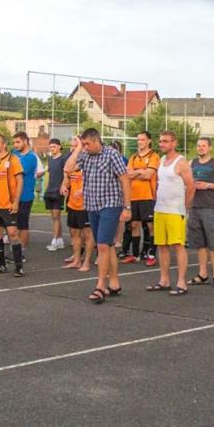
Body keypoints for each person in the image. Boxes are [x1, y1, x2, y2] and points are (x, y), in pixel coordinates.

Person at [78, 128, 131, 304]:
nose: (85, 147)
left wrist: (127, 207)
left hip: (110, 204)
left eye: (87, 144)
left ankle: (100, 285)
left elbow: (125, 179)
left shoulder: (111, 154)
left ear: (96, 140)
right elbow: (69, 168)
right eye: (83, 144)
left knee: (101, 245)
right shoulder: (85, 155)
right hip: (92, 205)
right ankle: (114, 283)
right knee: (107, 245)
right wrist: (78, 148)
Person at [147, 130, 196, 295]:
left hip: (175, 211)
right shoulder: (161, 160)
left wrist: (185, 208)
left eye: (166, 141)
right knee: (161, 246)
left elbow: (191, 186)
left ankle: (182, 283)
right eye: (160, 141)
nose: (162, 144)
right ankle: (164, 280)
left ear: (174, 143)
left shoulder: (181, 162)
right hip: (160, 209)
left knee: (178, 246)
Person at [187, 137, 214, 288]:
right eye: (199, 145)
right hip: (194, 208)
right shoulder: (191, 163)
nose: (201, 148)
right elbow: (185, 182)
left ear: (210, 147)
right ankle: (202, 274)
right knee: (200, 243)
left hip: (210, 208)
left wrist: (208, 185)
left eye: (204, 146)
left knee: (213, 243)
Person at [0, 135, 25, 276]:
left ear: (4, 144)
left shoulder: (13, 159)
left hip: (8, 204)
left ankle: (19, 266)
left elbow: (20, 181)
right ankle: (1, 264)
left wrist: (16, 202)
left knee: (13, 233)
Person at [125, 131, 160, 265]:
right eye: (138, 139)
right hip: (133, 196)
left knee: (151, 225)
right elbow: (127, 174)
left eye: (143, 139)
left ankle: (152, 254)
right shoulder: (133, 157)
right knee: (134, 225)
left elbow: (149, 175)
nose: (140, 142)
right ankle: (135, 255)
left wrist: (136, 172)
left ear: (149, 141)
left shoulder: (153, 156)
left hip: (148, 196)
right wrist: (141, 171)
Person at [61, 137, 94, 271]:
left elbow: (96, 181)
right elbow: (68, 175)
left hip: (86, 205)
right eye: (72, 146)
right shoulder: (73, 162)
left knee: (87, 234)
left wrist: (83, 190)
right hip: (73, 203)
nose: (73, 148)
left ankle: (86, 262)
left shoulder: (89, 161)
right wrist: (64, 186)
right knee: (74, 233)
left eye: (76, 145)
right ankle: (76, 260)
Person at [12, 132, 39, 250]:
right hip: (13, 196)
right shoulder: (14, 154)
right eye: (14, 142)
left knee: (23, 224)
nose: (15, 145)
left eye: (18, 142)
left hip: (25, 195)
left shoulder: (31, 157)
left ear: (26, 141)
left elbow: (18, 172)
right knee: (13, 224)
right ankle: (15, 247)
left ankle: (22, 249)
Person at [44, 139, 68, 251]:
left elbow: (66, 175)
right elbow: (49, 175)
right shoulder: (50, 159)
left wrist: (63, 186)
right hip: (50, 191)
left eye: (54, 146)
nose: (52, 148)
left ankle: (55, 241)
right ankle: (59, 240)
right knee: (54, 218)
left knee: (56, 216)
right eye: (50, 147)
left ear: (59, 147)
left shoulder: (63, 159)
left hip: (58, 191)